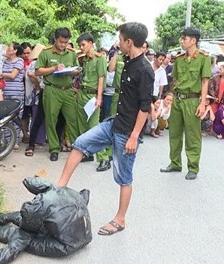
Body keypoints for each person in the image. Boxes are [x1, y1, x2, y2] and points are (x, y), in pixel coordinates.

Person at [56, 22, 154, 236]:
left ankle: (120, 219)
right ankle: (59, 188)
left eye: (120, 39)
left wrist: (134, 137)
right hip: (114, 122)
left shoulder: (145, 69)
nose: (118, 43)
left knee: (124, 177)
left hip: (127, 131)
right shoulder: (127, 60)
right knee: (80, 143)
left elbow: (145, 107)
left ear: (129, 42)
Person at [160, 27, 212, 180]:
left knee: (192, 135)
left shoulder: (204, 58)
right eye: (182, 38)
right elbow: (175, 80)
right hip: (177, 99)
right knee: (174, 133)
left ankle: (193, 167)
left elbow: (204, 82)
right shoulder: (180, 59)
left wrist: (202, 104)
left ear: (193, 40)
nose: (182, 41)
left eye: (185, 38)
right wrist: (170, 95)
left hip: (192, 100)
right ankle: (175, 163)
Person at [35, 27, 80, 161]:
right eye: (61, 42)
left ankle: (78, 147)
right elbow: (38, 71)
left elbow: (77, 70)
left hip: (68, 90)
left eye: (65, 42)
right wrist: (54, 68)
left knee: (73, 119)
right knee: (51, 119)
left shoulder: (72, 54)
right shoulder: (46, 52)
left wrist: (72, 71)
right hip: (52, 90)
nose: (63, 45)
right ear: (55, 39)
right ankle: (54, 148)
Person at [75, 33, 110, 172]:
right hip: (83, 93)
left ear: (91, 43)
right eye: (80, 45)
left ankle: (104, 158)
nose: (81, 47)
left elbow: (101, 78)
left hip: (93, 95)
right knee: (82, 125)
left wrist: (99, 97)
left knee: (94, 128)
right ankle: (87, 153)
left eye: (83, 44)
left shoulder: (99, 58)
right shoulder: (84, 59)